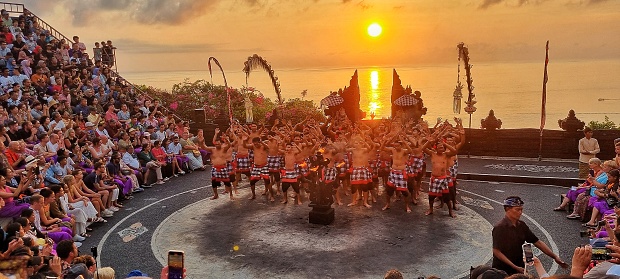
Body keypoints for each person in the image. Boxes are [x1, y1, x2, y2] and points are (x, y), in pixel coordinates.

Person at [492, 196, 568, 274]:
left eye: (521, 210)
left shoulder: (522, 225)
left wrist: (555, 257)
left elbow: (537, 242)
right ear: (507, 209)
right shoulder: (500, 228)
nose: (520, 212)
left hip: (519, 266)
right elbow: (496, 251)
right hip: (502, 269)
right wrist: (514, 267)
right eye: (517, 210)